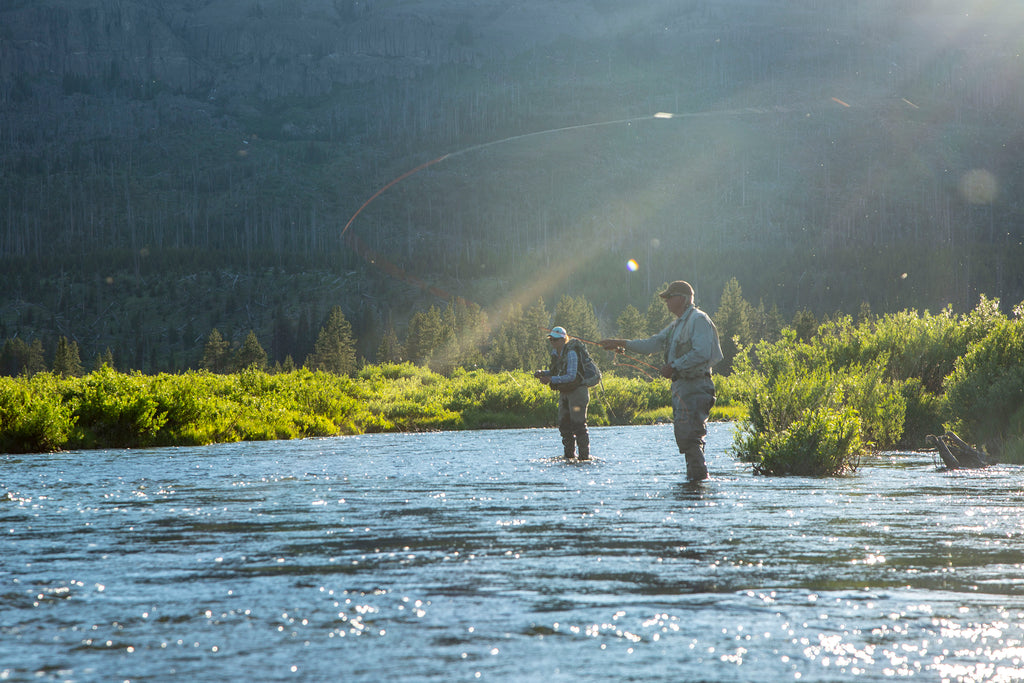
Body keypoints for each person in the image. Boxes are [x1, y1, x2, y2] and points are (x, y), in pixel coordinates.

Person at [599, 281, 723, 481]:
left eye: (669, 297)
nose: (665, 301)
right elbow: (653, 343)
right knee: (686, 438)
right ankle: (695, 485)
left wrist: (674, 366)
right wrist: (620, 343)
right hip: (683, 388)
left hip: (696, 386)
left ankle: (698, 487)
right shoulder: (677, 324)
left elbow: (702, 352)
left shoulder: (698, 319)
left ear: (682, 299)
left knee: (691, 437)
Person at [534, 326, 591, 461]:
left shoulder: (571, 353)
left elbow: (571, 376)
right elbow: (557, 371)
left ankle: (584, 458)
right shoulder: (556, 353)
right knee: (564, 426)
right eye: (551, 340)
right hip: (565, 392)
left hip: (577, 392)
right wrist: (544, 373)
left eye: (555, 340)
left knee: (578, 425)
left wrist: (550, 379)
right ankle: (569, 456)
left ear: (563, 339)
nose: (552, 342)